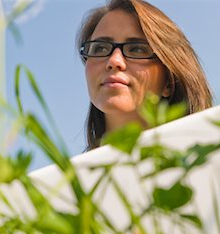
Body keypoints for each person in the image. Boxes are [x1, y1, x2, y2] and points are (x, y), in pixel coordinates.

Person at [77, 0, 213, 150]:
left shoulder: (214, 159)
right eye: (100, 48)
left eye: (137, 49)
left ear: (168, 82)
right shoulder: (68, 173)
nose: (114, 61)